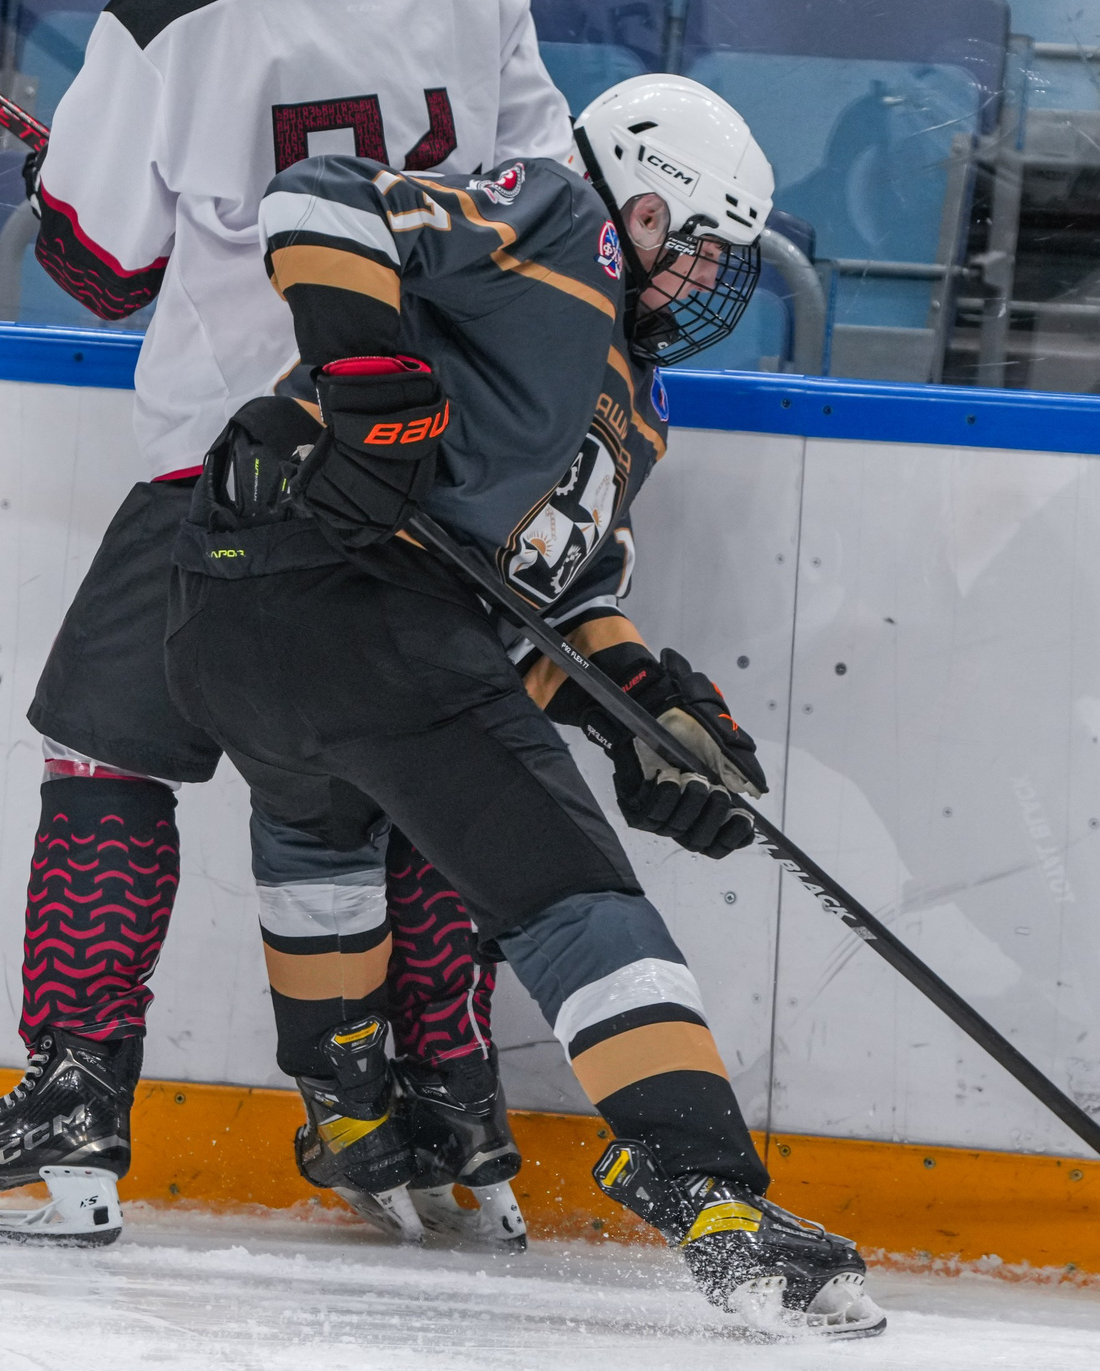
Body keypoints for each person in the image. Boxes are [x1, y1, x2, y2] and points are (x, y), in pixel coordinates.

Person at [0, 0, 578, 1249]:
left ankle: (72, 1103)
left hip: (231, 469)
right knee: (419, 771)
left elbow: (99, 268)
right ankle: (450, 1099)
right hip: (428, 470)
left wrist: (67, 160)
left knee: (104, 760)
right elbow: (546, 221)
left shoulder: (161, 25)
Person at [160, 75, 888, 1338]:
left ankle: (348, 1103)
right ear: (646, 210)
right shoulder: (559, 221)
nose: (707, 284)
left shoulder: (637, 410)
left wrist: (641, 708)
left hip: (242, 617)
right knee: (574, 899)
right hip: (347, 599)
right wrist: (378, 384)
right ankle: (703, 1187)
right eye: (703, 249)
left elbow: (534, 607)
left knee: (320, 822)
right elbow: (322, 197)